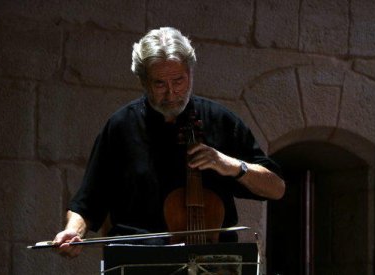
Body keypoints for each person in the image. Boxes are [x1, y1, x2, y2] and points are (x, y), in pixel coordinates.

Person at [53, 27, 285, 258]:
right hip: (140, 261)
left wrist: (230, 165)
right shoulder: (121, 126)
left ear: (190, 73)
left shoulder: (220, 120)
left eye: (179, 80)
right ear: (144, 81)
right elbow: (88, 201)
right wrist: (73, 231)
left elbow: (276, 188)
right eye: (160, 84)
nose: (172, 93)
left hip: (212, 264)